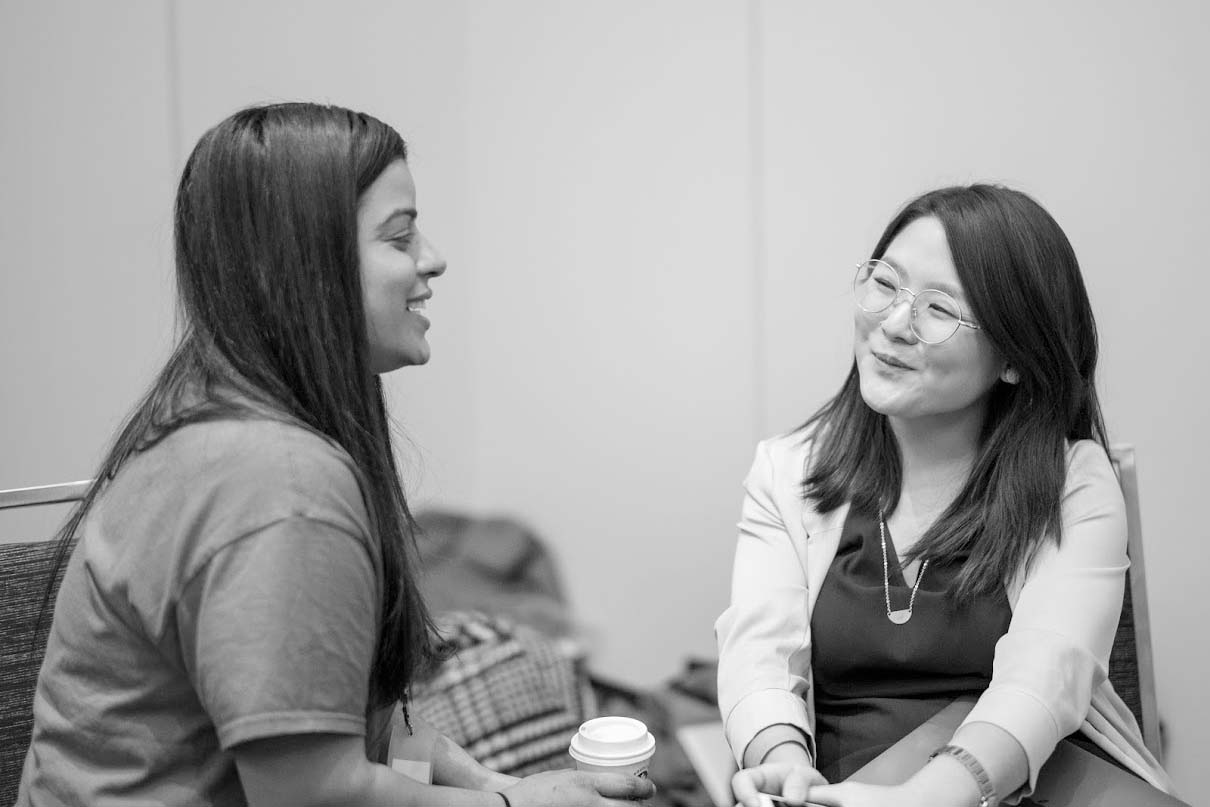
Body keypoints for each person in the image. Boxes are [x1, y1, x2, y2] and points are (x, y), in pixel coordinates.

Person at [15, 102, 655, 807]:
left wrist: (482, 783)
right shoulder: (277, 481)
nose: (432, 258)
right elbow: (311, 794)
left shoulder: (221, 421)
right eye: (400, 235)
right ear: (303, 264)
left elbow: (338, 725)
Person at [715, 185, 1176, 807]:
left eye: (939, 309)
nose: (894, 324)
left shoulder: (1072, 484)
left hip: (1010, 787)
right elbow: (759, 653)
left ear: (1015, 356)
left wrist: (936, 793)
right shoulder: (789, 471)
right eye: (886, 284)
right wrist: (783, 761)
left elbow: (1045, 675)